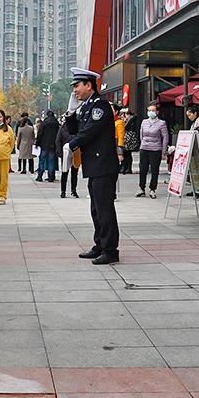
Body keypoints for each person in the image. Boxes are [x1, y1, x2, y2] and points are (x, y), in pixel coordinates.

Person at [65, 68, 120, 265]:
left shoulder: (100, 105)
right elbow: (73, 129)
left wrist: (71, 145)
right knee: (96, 209)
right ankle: (100, 245)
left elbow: (89, 132)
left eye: (77, 86)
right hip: (94, 165)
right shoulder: (87, 106)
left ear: (89, 85)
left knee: (104, 209)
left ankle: (110, 249)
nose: (75, 91)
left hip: (103, 165)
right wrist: (71, 112)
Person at [136, 102, 169, 199]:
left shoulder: (161, 123)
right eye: (149, 110)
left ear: (157, 112)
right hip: (144, 148)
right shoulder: (144, 122)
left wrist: (163, 151)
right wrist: (143, 144)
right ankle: (141, 188)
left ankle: (152, 189)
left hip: (155, 149)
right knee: (143, 169)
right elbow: (141, 135)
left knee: (154, 170)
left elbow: (165, 137)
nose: (151, 112)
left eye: (153, 110)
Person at [55, 120, 80, 198]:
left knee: (74, 172)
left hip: (76, 151)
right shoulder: (62, 128)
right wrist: (60, 152)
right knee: (64, 172)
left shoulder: (78, 127)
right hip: (65, 152)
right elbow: (58, 140)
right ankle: (63, 191)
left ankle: (73, 190)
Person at [35, 111, 59, 182]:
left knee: (42, 160)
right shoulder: (56, 124)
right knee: (51, 161)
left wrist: (37, 143)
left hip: (44, 144)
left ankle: (40, 176)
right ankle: (51, 177)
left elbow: (40, 134)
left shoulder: (44, 123)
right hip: (53, 145)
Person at [120, 109, 139, 174]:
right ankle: (126, 167)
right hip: (129, 138)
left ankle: (127, 168)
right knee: (126, 154)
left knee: (127, 154)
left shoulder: (131, 119)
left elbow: (125, 127)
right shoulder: (132, 119)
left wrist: (124, 121)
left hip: (129, 138)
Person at [112, 104, 125, 172]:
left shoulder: (119, 122)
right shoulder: (108, 121)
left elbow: (121, 137)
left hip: (115, 143)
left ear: (116, 111)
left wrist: (119, 152)